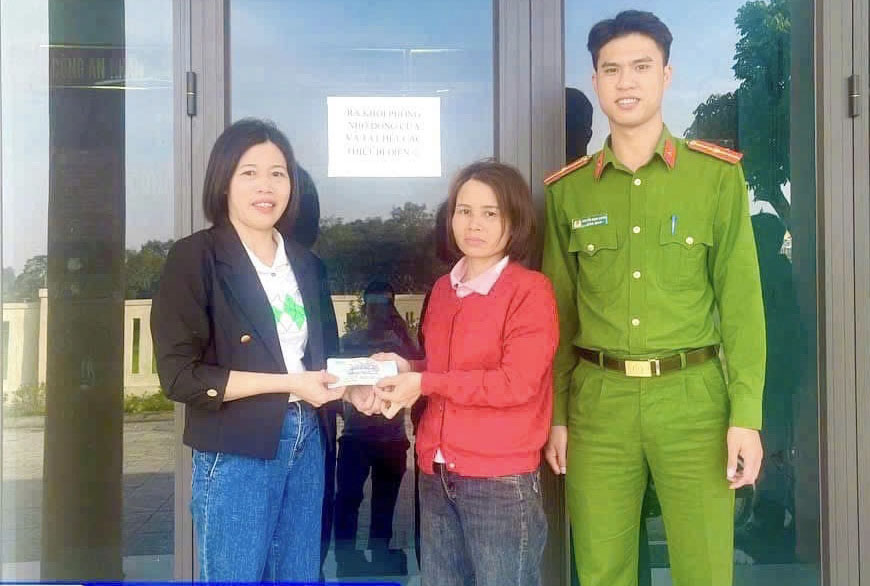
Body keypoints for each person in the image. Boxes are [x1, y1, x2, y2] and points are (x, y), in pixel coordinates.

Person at [542, 11, 765, 586]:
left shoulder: (714, 178)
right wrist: (559, 416)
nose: (626, 81)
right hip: (599, 407)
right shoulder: (567, 192)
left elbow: (741, 305)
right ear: (595, 82)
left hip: (694, 403)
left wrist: (746, 417)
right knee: (602, 570)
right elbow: (560, 318)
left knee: (704, 570)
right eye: (611, 69)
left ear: (667, 75)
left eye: (641, 66)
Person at [151, 118, 345, 581]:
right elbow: (180, 376)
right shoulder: (194, 257)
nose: (266, 186)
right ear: (224, 182)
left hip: (307, 440)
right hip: (237, 447)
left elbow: (321, 363)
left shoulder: (306, 264)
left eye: (278, 173)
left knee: (299, 575)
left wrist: (359, 386)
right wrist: (289, 384)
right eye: (249, 172)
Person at [370, 160, 558, 586]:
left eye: (490, 213)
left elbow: (517, 384)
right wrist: (408, 368)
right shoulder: (443, 288)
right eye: (464, 210)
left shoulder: (529, 291)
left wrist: (424, 381)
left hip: (499, 481)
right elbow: (443, 373)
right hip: (437, 473)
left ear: (515, 221)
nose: (474, 224)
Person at [333, 280, 417, 577]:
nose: (377, 311)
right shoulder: (350, 341)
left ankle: (380, 556)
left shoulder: (400, 341)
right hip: (356, 435)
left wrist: (401, 330)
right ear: (364, 306)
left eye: (385, 304)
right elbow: (334, 379)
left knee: (385, 503)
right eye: (373, 304)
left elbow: (418, 367)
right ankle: (345, 561)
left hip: (391, 437)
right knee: (347, 500)